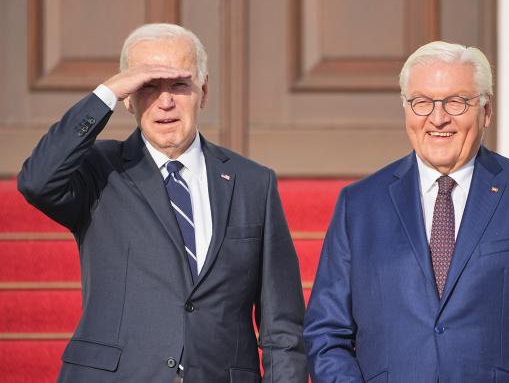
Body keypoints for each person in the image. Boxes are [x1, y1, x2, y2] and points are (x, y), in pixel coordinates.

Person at [18, 23, 307, 382]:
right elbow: (37, 180)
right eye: (147, 86)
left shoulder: (253, 183)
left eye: (179, 85)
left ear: (204, 90)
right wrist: (106, 92)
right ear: (128, 97)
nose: (165, 101)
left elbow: (283, 325)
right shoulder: (99, 172)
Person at [303, 41, 509, 382]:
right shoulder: (360, 205)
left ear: (486, 110)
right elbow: (326, 333)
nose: (438, 118)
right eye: (422, 102)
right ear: (406, 110)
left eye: (457, 102)